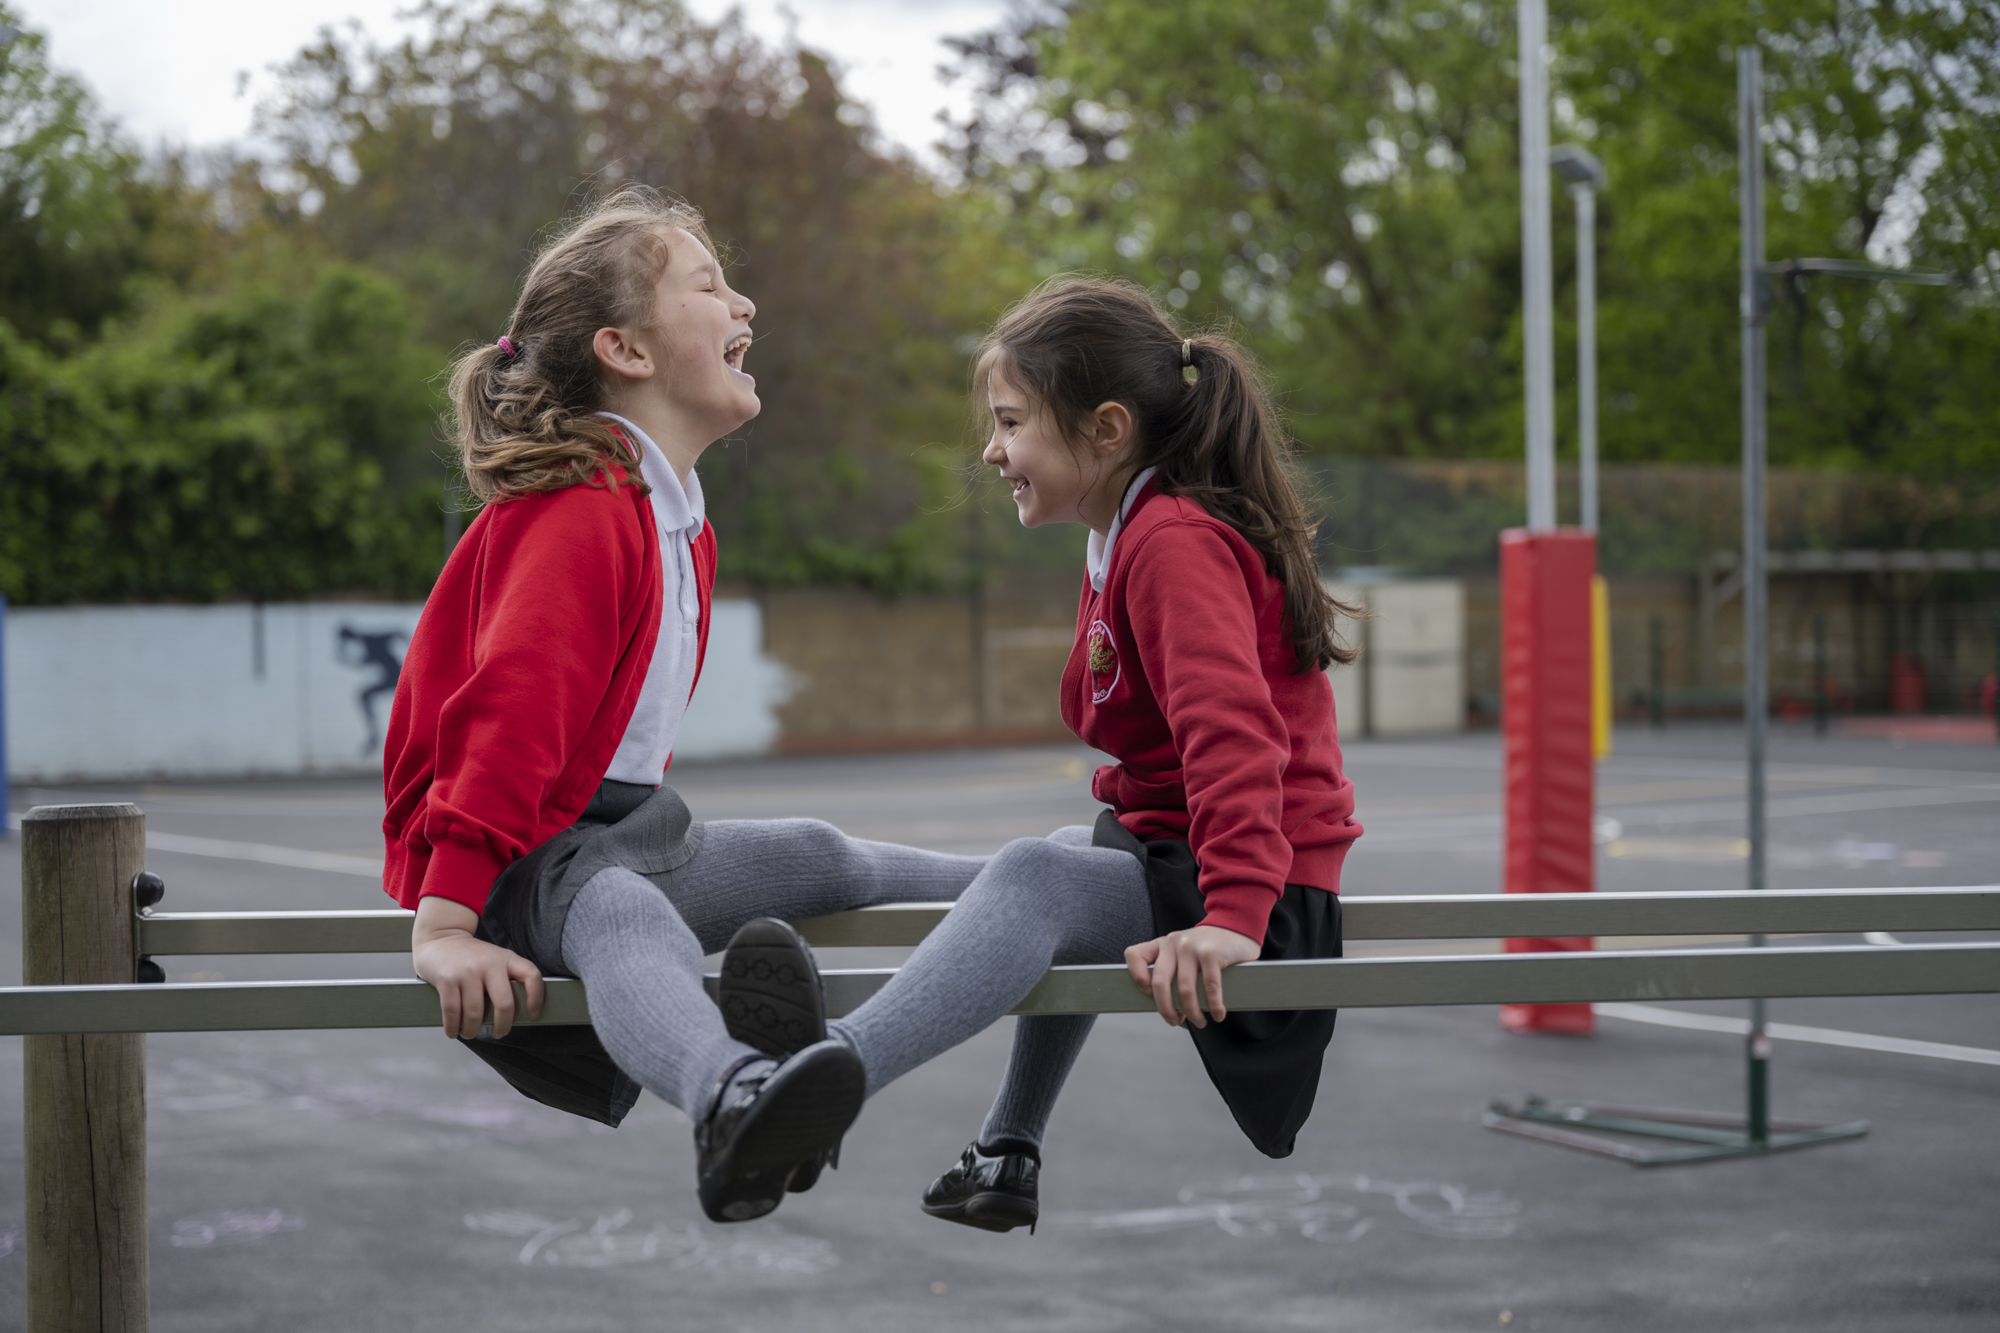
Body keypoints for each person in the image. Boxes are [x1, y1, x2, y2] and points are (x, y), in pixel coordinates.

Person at [380, 187, 983, 1226]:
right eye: (708, 284)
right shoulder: (580, 509)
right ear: (627, 349)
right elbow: (508, 715)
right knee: (626, 920)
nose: (742, 300)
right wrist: (446, 926)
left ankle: (1041, 876)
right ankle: (731, 1095)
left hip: (613, 832)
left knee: (816, 854)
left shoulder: (669, 513)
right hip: (519, 855)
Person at [799, 276, 1364, 1233]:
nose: (992, 449)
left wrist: (1231, 918)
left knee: (1036, 875)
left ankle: (828, 1075)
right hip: (1185, 858)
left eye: (1011, 420)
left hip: (1248, 892)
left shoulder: (1171, 542)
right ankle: (1006, 1145)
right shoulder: (1128, 534)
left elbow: (1234, 734)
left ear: (1106, 430)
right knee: (1053, 859)